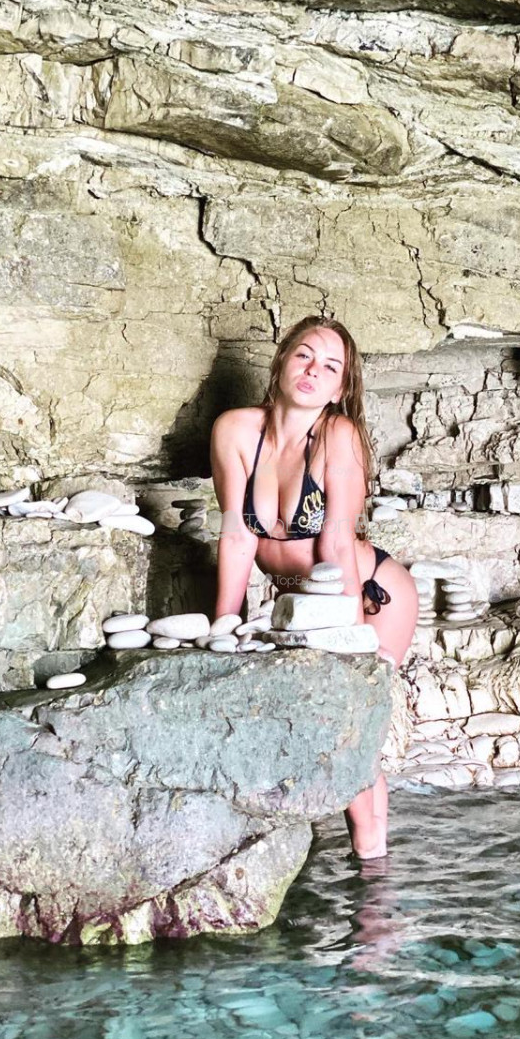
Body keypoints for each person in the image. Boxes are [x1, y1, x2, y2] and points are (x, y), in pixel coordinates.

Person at [209, 316, 418, 859]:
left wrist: (347, 640)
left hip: (368, 592)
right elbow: (237, 535)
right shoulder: (235, 431)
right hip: (298, 600)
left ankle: (372, 863)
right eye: (304, 355)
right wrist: (224, 627)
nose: (312, 371)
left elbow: (338, 544)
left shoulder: (337, 436)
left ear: (341, 387)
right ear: (282, 361)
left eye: (330, 366)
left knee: (352, 730)